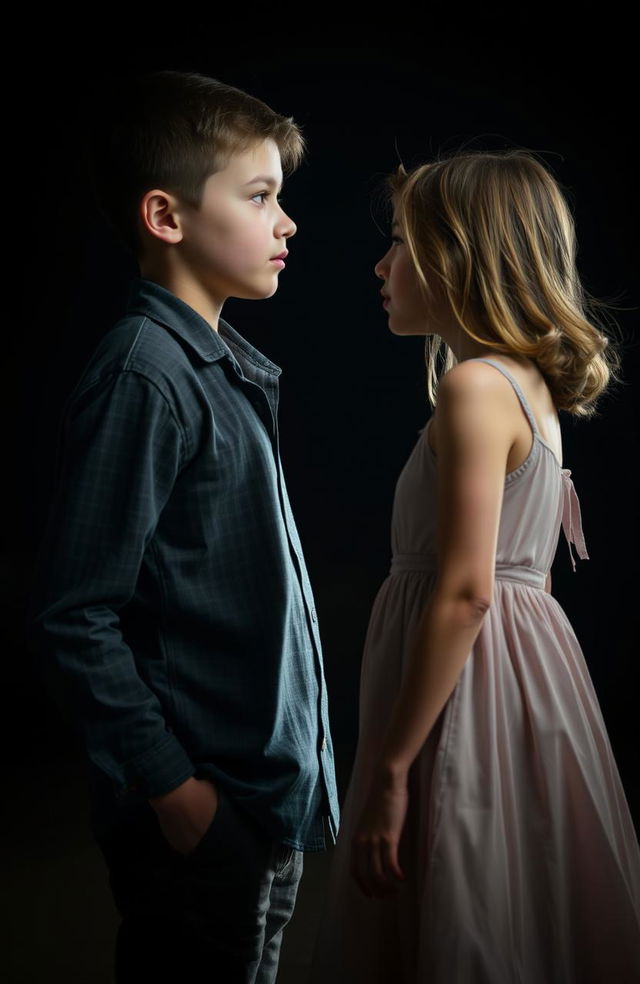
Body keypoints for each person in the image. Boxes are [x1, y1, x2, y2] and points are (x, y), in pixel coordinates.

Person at [26, 69, 340, 984]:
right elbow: (72, 614)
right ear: (166, 217)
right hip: (203, 820)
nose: (286, 223)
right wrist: (178, 792)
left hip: (251, 813)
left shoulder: (215, 367)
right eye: (259, 196)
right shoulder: (146, 373)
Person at [308, 149, 640, 983]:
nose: (381, 265)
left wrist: (386, 771)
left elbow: (463, 593)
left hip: (468, 694)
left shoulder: (475, 392)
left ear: (459, 255)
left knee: (458, 900)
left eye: (401, 245)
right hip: (518, 686)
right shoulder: (521, 386)